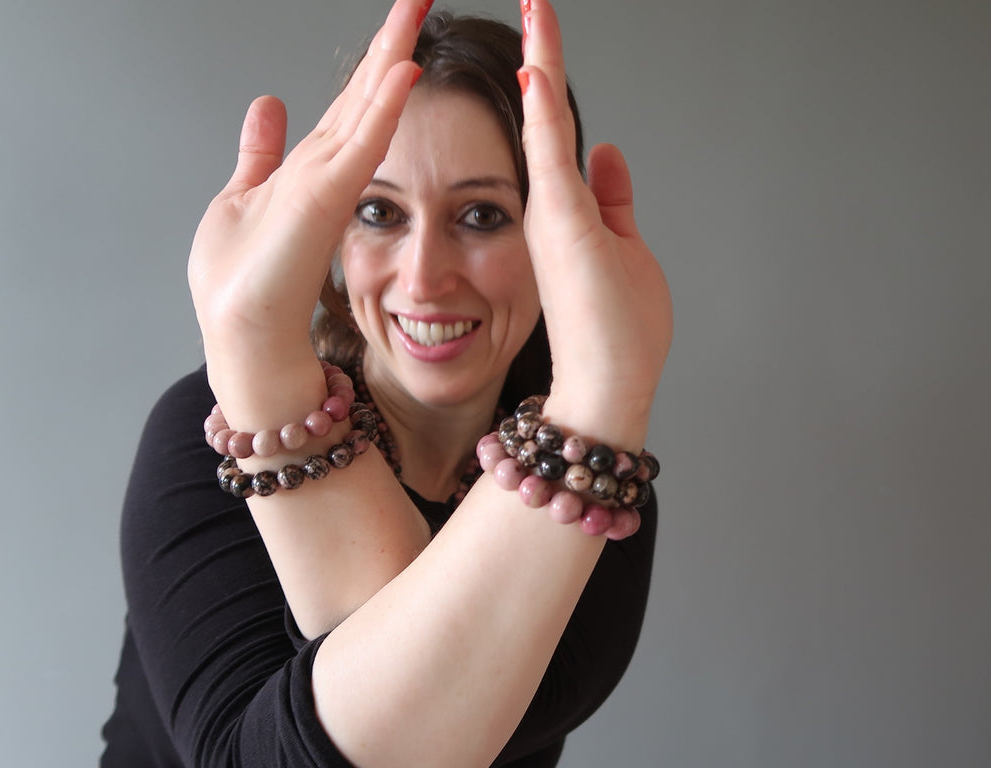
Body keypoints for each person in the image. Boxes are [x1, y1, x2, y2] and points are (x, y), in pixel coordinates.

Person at [100, 0, 672, 766]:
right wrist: (253, 348)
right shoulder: (202, 433)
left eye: (481, 215)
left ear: (554, 236)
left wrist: (604, 392)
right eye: (379, 210)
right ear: (337, 233)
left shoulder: (597, 493)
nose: (424, 277)